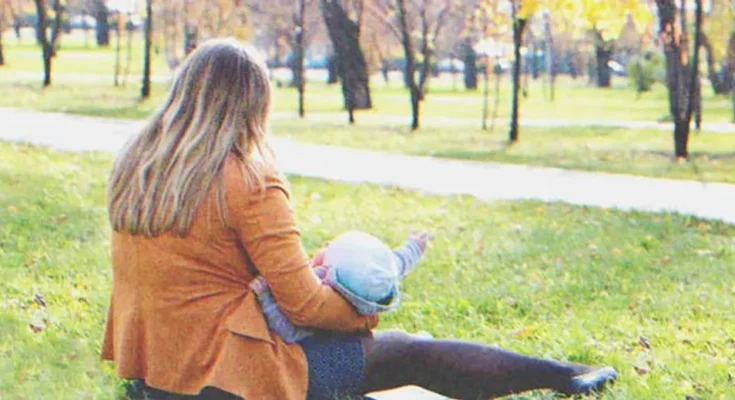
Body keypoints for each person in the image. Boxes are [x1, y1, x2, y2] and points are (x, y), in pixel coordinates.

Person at [102, 38, 618, 400]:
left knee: (367, 354)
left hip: (160, 375)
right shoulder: (249, 180)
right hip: (231, 377)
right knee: (406, 351)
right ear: (253, 104)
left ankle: (560, 376)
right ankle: (563, 377)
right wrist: (362, 314)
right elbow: (303, 304)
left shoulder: (137, 164)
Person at [251, 230, 427, 344]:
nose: (324, 246)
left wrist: (266, 298)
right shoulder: (373, 282)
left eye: (327, 251)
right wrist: (414, 247)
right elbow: (397, 263)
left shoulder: (322, 309)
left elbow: (290, 333)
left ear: (326, 275)